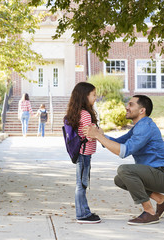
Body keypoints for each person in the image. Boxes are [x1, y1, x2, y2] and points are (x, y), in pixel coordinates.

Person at [83, 95, 164, 225]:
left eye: (131, 104)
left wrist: (98, 137)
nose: (126, 107)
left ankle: (150, 212)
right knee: (120, 179)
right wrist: (101, 135)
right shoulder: (138, 127)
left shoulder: (145, 127)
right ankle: (162, 200)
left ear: (142, 110)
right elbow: (119, 142)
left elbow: (123, 151)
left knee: (125, 170)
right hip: (156, 173)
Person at [65, 82, 101, 224]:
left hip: (84, 153)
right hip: (84, 153)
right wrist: (98, 132)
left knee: (83, 183)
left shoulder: (79, 112)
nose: (95, 98)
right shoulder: (85, 114)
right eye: (93, 95)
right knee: (81, 184)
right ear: (84, 96)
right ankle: (82, 214)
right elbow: (90, 135)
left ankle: (85, 211)